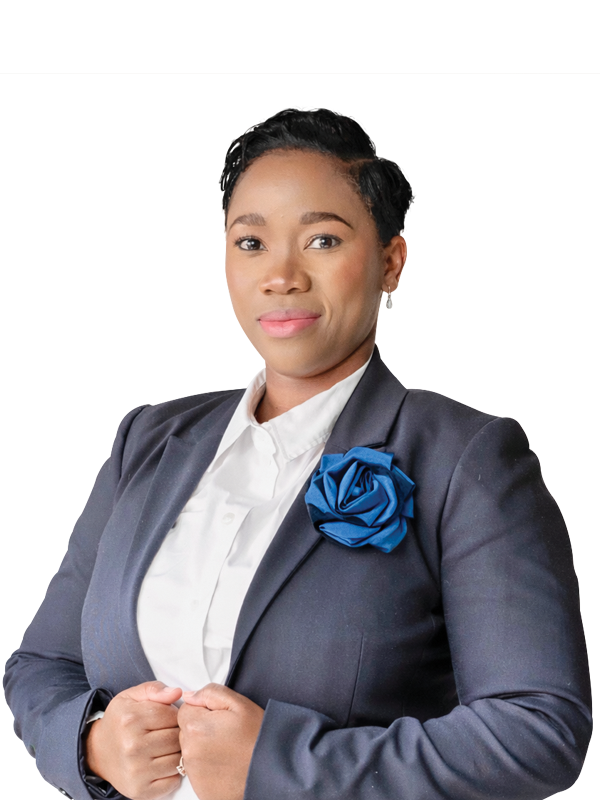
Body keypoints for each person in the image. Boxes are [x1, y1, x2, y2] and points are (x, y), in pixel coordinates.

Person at [3, 107, 592, 800]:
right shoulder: (150, 439)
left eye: (322, 240)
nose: (281, 276)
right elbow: (41, 665)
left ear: (391, 261)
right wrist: (92, 742)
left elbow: (536, 730)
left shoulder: (465, 459)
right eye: (251, 243)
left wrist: (282, 764)